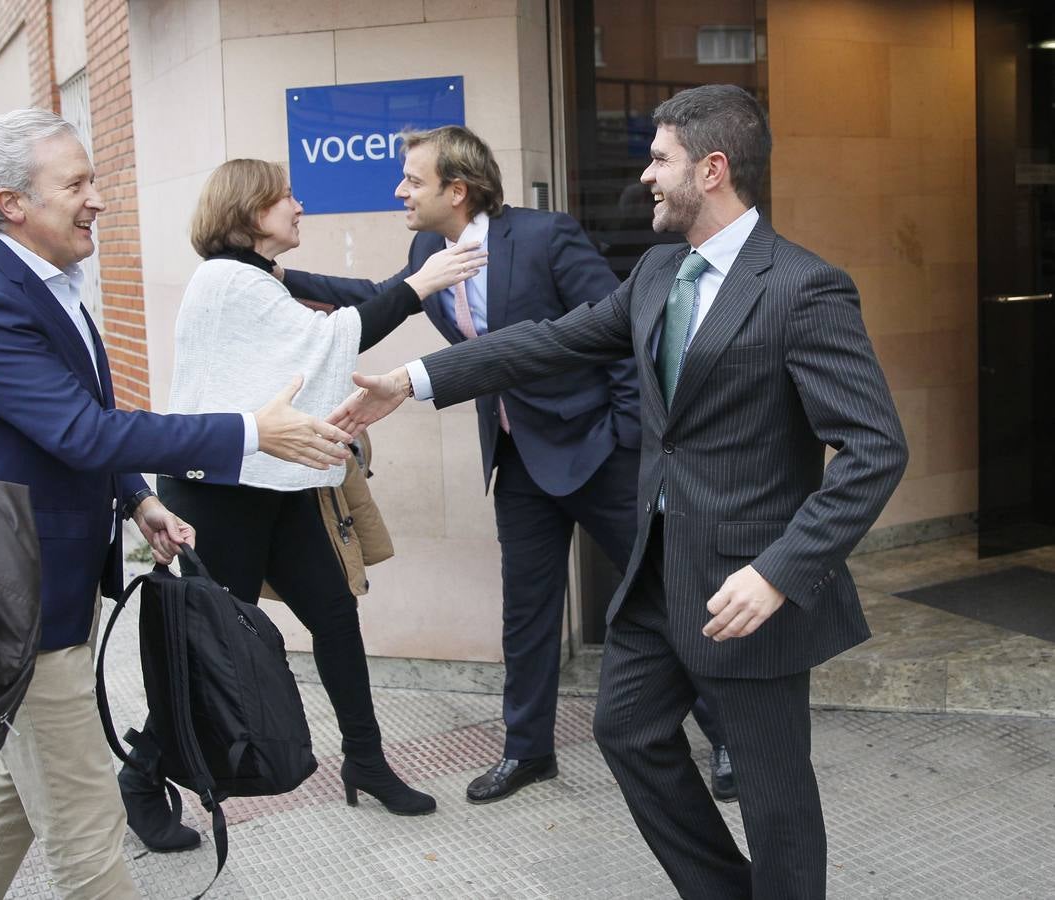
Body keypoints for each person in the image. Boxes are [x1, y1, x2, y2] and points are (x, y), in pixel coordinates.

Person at [326, 84, 909, 898]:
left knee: (774, 797)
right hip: (655, 575)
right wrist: (413, 378)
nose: (644, 176)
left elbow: (875, 449)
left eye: (658, 159)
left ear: (711, 170)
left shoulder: (802, 287)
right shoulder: (659, 271)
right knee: (627, 729)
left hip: (749, 585)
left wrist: (780, 570)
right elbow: (548, 341)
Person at [0, 109, 352, 899]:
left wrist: (137, 500)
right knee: (86, 835)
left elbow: (64, 426)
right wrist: (252, 430)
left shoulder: (46, 282)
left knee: (20, 792)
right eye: (76, 183)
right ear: (13, 203)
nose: (97, 200)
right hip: (18, 605)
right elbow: (83, 430)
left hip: (51, 588)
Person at [280, 125, 733, 805]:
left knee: (663, 594)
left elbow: (620, 329)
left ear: (456, 190)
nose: (400, 191)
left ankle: (728, 734)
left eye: (413, 180)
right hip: (516, 458)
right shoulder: (427, 248)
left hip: (596, 452)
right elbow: (380, 291)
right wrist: (279, 277)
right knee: (525, 611)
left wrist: (623, 436)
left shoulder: (545, 236)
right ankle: (528, 751)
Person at [117, 157, 488, 843]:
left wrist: (408, 285)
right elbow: (325, 342)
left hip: (282, 484)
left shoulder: (260, 280)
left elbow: (346, 307)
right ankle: (140, 775)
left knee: (335, 618)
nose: (298, 206)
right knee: (214, 651)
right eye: (284, 196)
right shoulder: (227, 279)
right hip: (219, 493)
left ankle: (368, 761)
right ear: (249, 211)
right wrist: (417, 287)